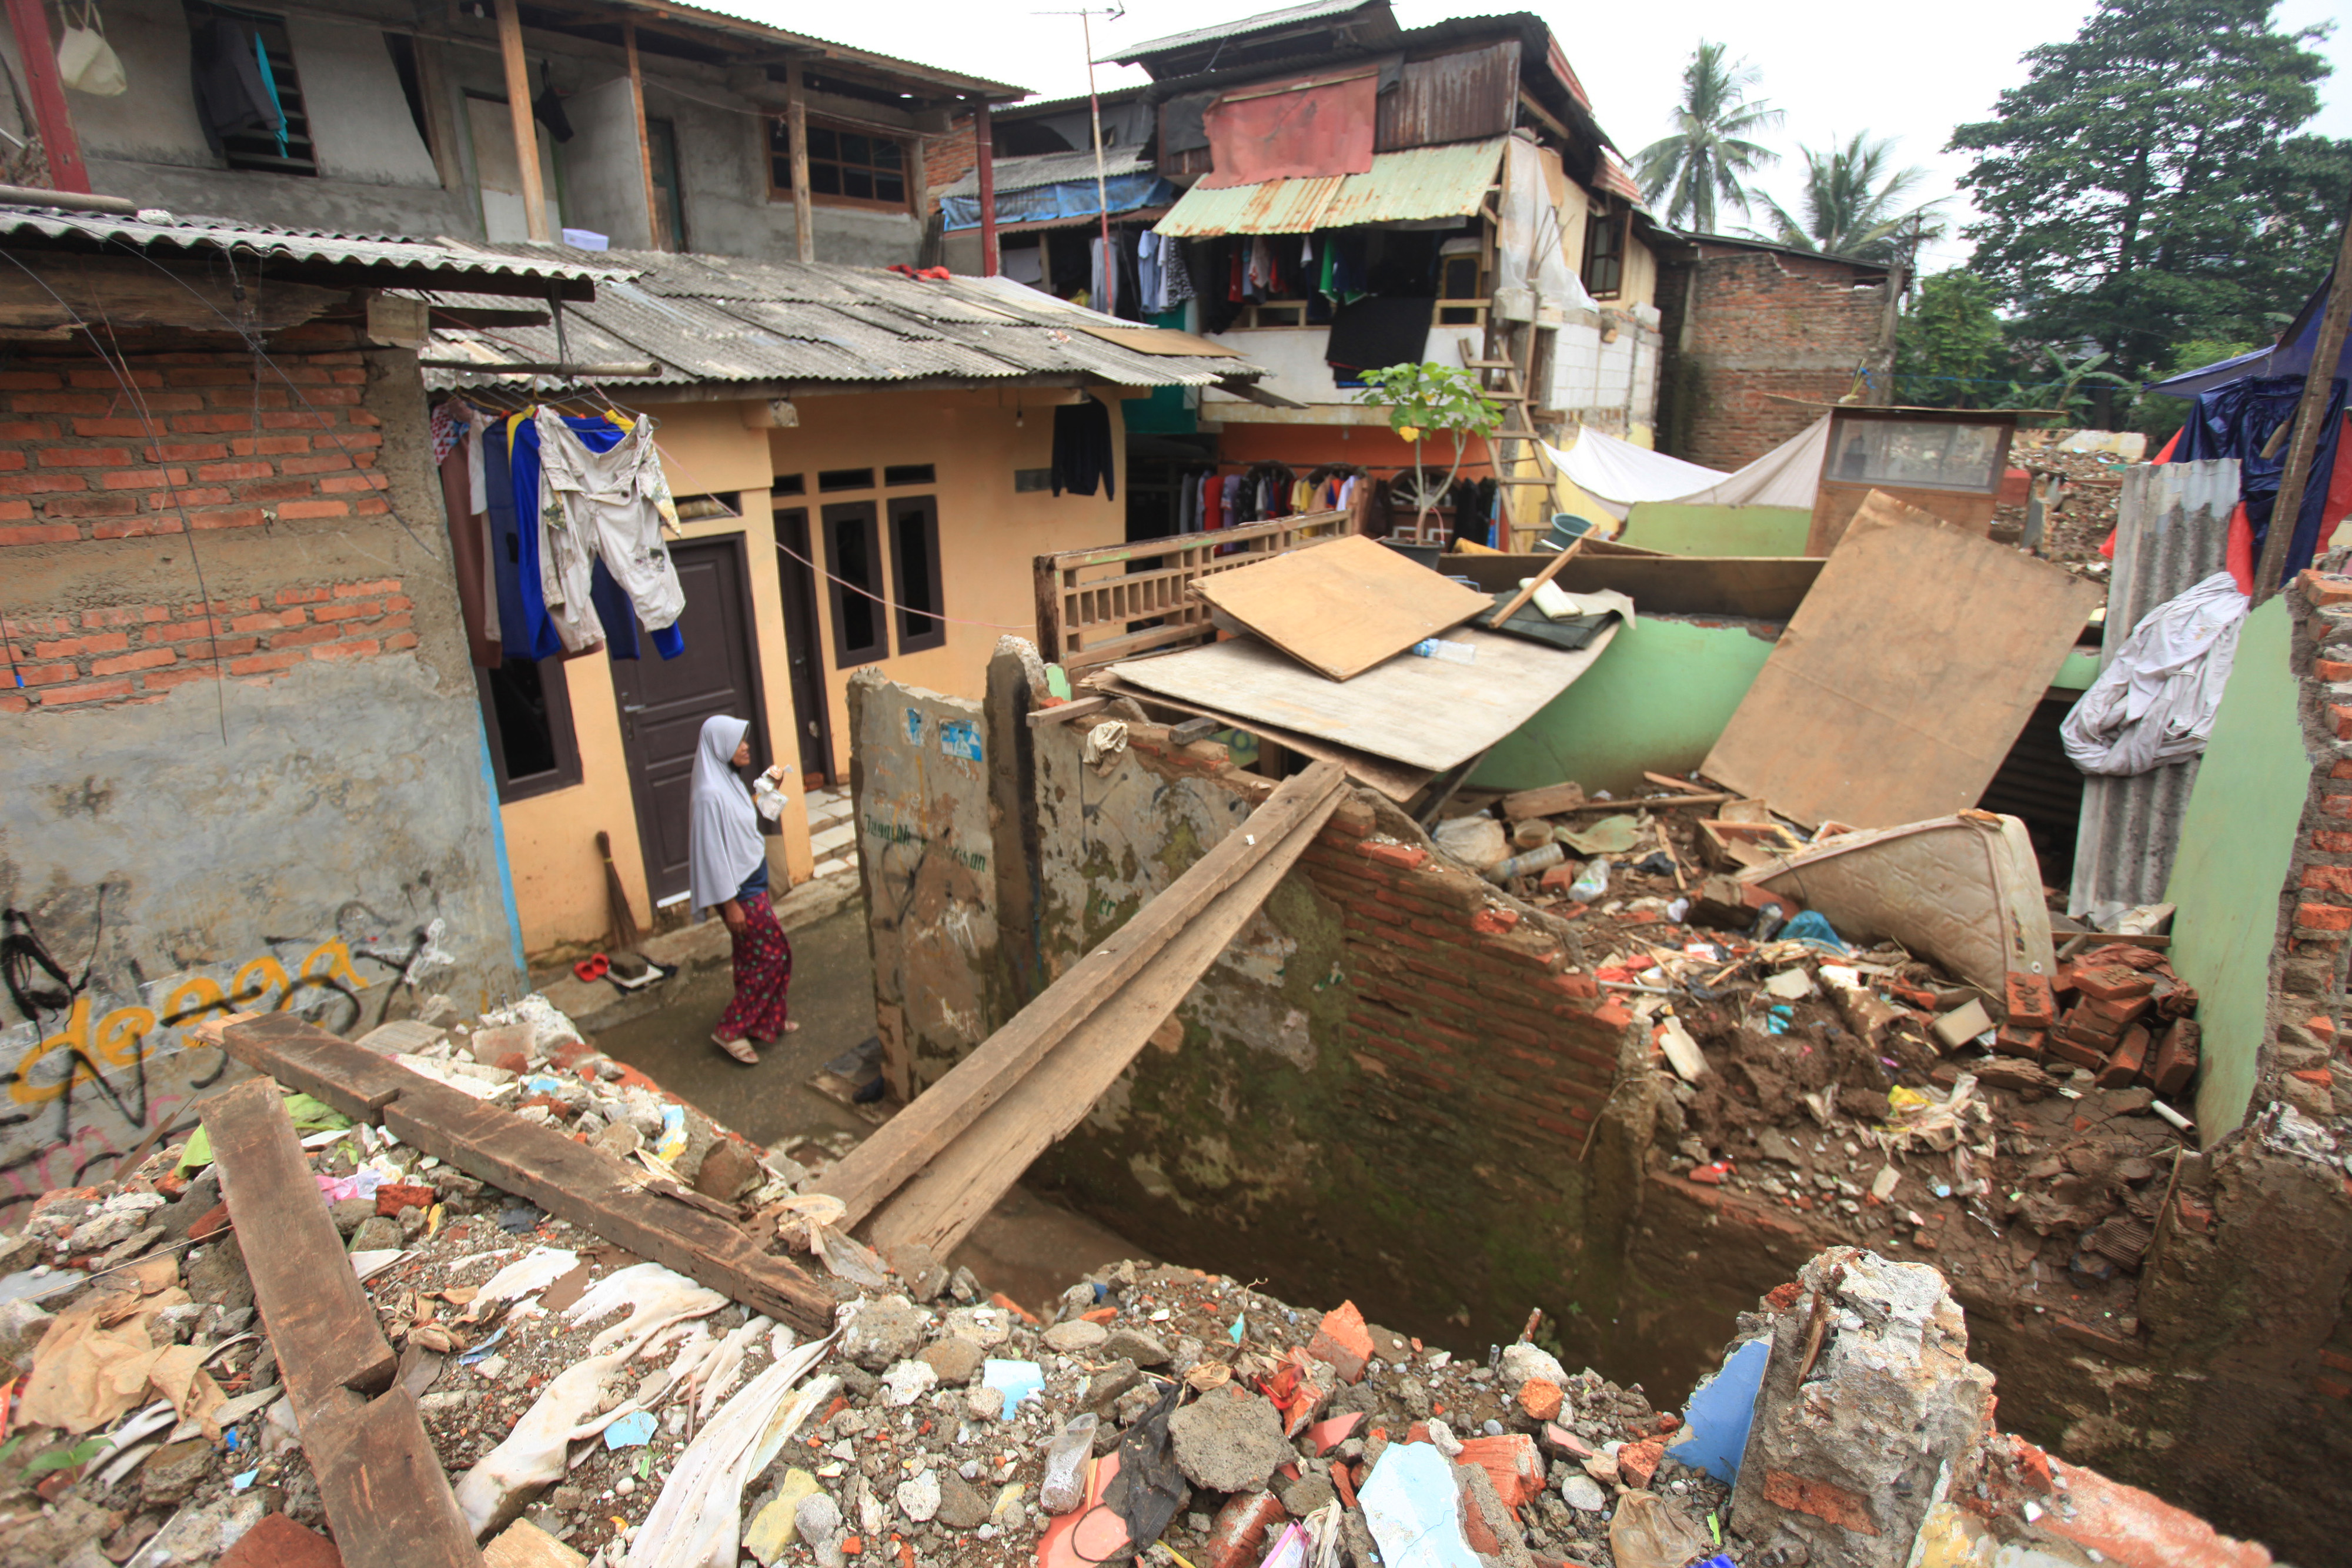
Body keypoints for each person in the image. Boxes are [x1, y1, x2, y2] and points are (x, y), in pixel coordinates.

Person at [689, 714, 796, 1064]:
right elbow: (711, 853)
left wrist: (770, 790)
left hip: (753, 882)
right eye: (739, 742)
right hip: (741, 893)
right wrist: (729, 905)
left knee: (753, 958)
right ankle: (731, 1030)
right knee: (773, 956)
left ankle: (767, 1020)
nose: (746, 746)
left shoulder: (728, 782)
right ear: (720, 747)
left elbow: (754, 817)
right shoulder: (708, 796)